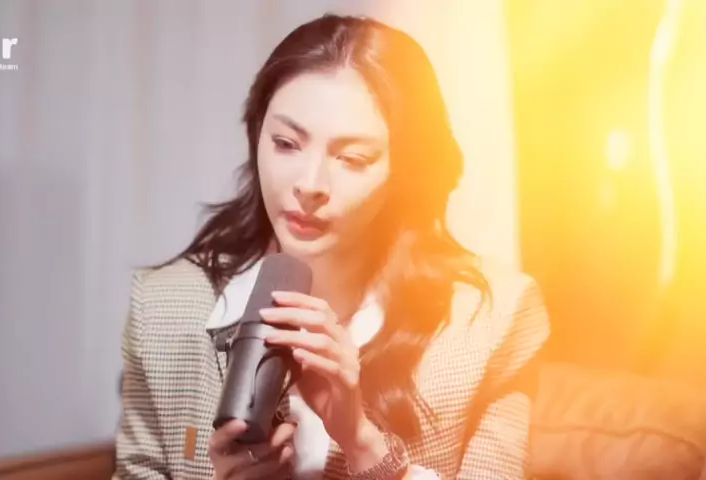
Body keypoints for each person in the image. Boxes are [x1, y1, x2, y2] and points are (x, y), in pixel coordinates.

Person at [114, 13, 549, 480]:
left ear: (406, 172)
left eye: (352, 158)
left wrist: (364, 444)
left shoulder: (491, 322)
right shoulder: (163, 310)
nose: (309, 184)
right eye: (286, 143)